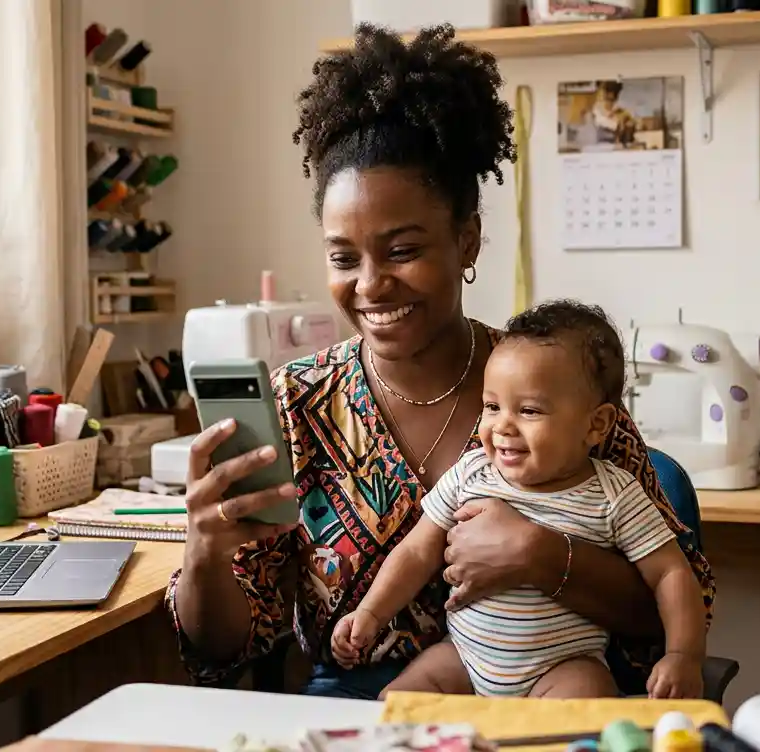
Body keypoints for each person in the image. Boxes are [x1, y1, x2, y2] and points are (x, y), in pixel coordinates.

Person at [165, 23, 715, 700]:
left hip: (543, 703)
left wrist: (547, 558)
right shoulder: (296, 406)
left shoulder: (549, 381)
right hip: (367, 718)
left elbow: (674, 614)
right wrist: (205, 552)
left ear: (468, 238)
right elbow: (224, 649)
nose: (369, 284)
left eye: (401, 251)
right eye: (344, 258)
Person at [331, 301, 706, 699]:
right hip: (463, 659)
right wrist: (371, 614)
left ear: (596, 424)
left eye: (528, 410)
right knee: (399, 703)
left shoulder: (614, 494)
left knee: (588, 701)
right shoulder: (471, 473)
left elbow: (671, 574)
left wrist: (683, 655)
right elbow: (416, 552)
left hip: (561, 668)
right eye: (492, 407)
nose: (501, 426)